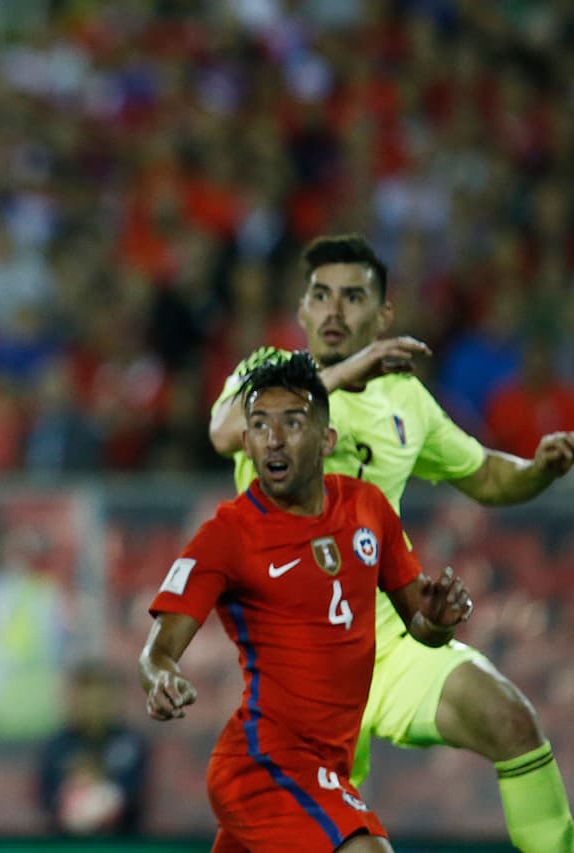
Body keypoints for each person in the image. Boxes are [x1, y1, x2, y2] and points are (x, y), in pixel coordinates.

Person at [208, 234, 574, 852]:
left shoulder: (407, 399)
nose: (333, 310)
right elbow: (223, 432)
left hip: (387, 646)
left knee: (512, 720)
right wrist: (344, 375)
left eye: (353, 297)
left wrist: (537, 469)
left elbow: (482, 471)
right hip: (295, 668)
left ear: (382, 316)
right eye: (320, 295)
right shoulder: (264, 374)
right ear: (301, 310)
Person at [140, 351, 474, 852]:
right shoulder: (226, 535)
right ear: (247, 443)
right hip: (263, 764)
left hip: (325, 763)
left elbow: (421, 627)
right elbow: (157, 651)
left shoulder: (367, 508)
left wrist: (440, 622)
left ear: (326, 439)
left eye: (292, 422)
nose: (274, 438)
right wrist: (161, 676)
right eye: (259, 424)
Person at [37, 658, 149, 837]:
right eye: (85, 695)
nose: (93, 704)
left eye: (100, 696)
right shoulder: (56, 746)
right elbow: (47, 799)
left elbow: (135, 798)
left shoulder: (131, 744)